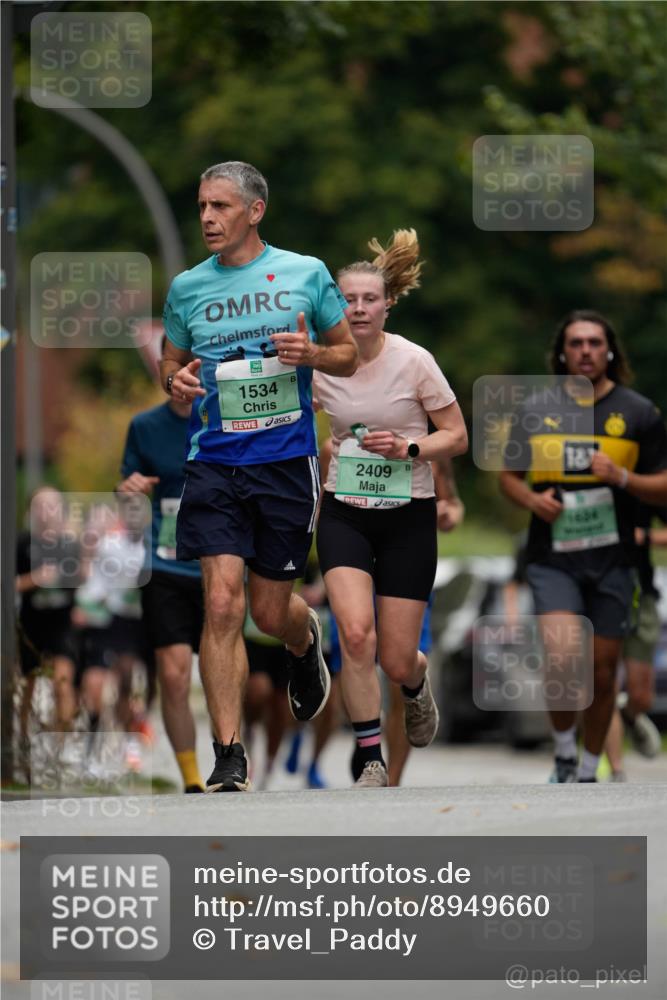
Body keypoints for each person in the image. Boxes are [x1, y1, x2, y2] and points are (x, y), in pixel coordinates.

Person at [160, 161, 358, 792]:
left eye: (221, 206)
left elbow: (348, 353)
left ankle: (304, 640)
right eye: (201, 207)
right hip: (214, 458)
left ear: (255, 210)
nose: (208, 218)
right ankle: (228, 754)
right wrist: (175, 380)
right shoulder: (188, 286)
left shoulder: (306, 273)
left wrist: (314, 355)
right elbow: (170, 359)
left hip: (284, 460)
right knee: (221, 602)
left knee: (269, 612)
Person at [313, 229, 468, 788]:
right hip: (344, 513)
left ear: (387, 304)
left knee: (397, 659)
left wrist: (409, 448)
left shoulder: (415, 361)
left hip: (407, 516)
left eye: (368, 299)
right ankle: (371, 757)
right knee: (356, 636)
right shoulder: (321, 362)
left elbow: (456, 435)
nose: (357, 309)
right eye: (347, 299)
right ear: (335, 304)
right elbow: (284, 413)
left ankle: (415, 682)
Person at [499, 310, 667, 783]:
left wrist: (624, 477)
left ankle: (591, 769)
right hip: (554, 559)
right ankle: (565, 752)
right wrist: (533, 499)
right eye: (576, 343)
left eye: (595, 342)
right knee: (561, 658)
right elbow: (508, 480)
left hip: (617, 562)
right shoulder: (535, 411)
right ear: (562, 353)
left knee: (603, 669)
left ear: (609, 350)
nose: (586, 351)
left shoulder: (639, 413)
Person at [117, 380, 206, 793]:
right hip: (165, 565)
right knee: (173, 676)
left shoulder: (226, 415)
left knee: (223, 671)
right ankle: (190, 777)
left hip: (219, 563)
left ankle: (232, 757)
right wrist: (128, 491)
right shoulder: (144, 426)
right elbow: (126, 494)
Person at [604, 509, 666, 780]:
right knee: (605, 685)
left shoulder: (642, 481)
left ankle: (629, 715)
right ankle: (617, 769)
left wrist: (646, 537)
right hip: (598, 592)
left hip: (640, 594)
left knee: (642, 696)